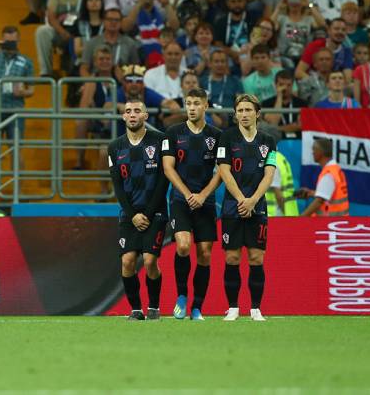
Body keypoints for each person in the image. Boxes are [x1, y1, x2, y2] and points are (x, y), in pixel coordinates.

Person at [162, 88, 222, 321]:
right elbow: (168, 168)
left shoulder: (217, 135)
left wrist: (204, 195)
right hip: (180, 199)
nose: (192, 108)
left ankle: (197, 307)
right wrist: (188, 194)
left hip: (206, 202)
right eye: (188, 103)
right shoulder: (173, 133)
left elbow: (222, 170)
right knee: (184, 246)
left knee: (205, 253)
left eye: (197, 103)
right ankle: (181, 296)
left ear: (206, 106)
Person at [217, 94, 278, 322]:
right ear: (235, 114)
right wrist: (243, 199)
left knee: (256, 257)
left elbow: (268, 175)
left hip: (258, 207)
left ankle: (255, 309)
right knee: (232, 257)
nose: (243, 114)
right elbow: (224, 171)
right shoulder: (226, 138)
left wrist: (253, 201)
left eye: (248, 110)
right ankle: (233, 307)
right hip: (233, 207)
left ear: (257, 113)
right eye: (240, 111)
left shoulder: (268, 141)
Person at [108, 100, 169, 320]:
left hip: (156, 212)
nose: (132, 114)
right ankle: (136, 310)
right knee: (127, 261)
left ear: (145, 116)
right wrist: (133, 215)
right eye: (127, 111)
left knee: (150, 260)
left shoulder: (160, 141)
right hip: (129, 214)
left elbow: (164, 180)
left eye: (137, 111)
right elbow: (117, 186)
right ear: (123, 117)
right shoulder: (115, 147)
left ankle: (154, 306)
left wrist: (148, 213)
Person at [299, 137, 349, 217]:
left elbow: (319, 201)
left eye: (314, 150)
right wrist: (311, 193)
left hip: (329, 222)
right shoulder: (335, 169)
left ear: (320, 152)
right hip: (338, 221)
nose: (312, 153)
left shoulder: (328, 174)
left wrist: (301, 217)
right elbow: (329, 194)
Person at [267, 151, 298, 217]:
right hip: (285, 211)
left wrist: (285, 213)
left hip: (276, 214)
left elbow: (278, 195)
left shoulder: (271, 160)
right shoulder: (281, 158)